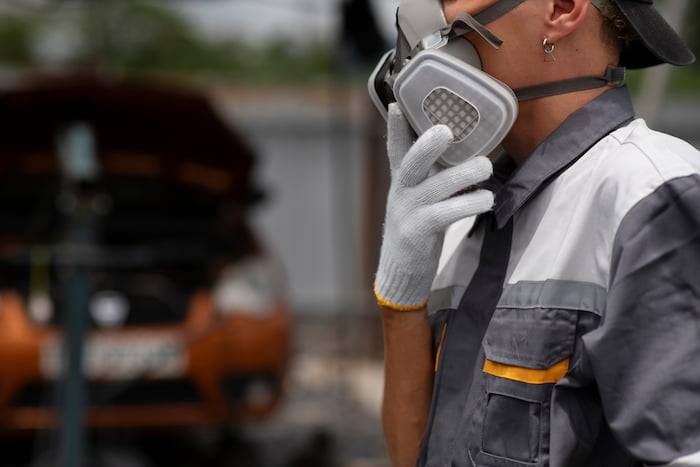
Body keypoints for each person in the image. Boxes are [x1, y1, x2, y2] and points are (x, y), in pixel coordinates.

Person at [372, 0, 699, 466]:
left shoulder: (650, 197)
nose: (436, 18)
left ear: (562, 9)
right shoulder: (465, 212)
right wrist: (401, 302)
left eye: (450, 1)